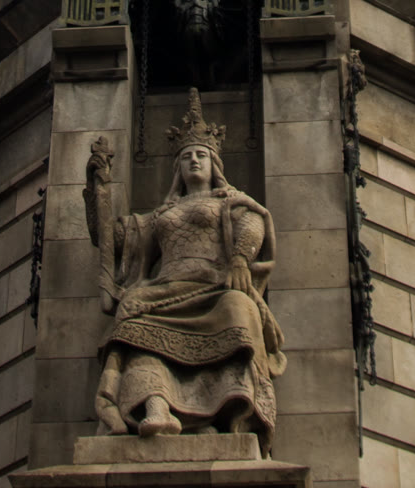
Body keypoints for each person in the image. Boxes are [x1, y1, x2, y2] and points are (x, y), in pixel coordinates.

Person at [89, 94, 285, 448]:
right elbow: (114, 237)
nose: (194, 160)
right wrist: (98, 191)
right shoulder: (161, 215)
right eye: (187, 156)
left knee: (238, 308)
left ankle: (221, 415)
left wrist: (240, 259)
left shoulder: (229, 201)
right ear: (177, 168)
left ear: (214, 164)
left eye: (201, 155)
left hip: (213, 285)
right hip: (166, 288)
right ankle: (156, 407)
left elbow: (252, 222)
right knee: (133, 315)